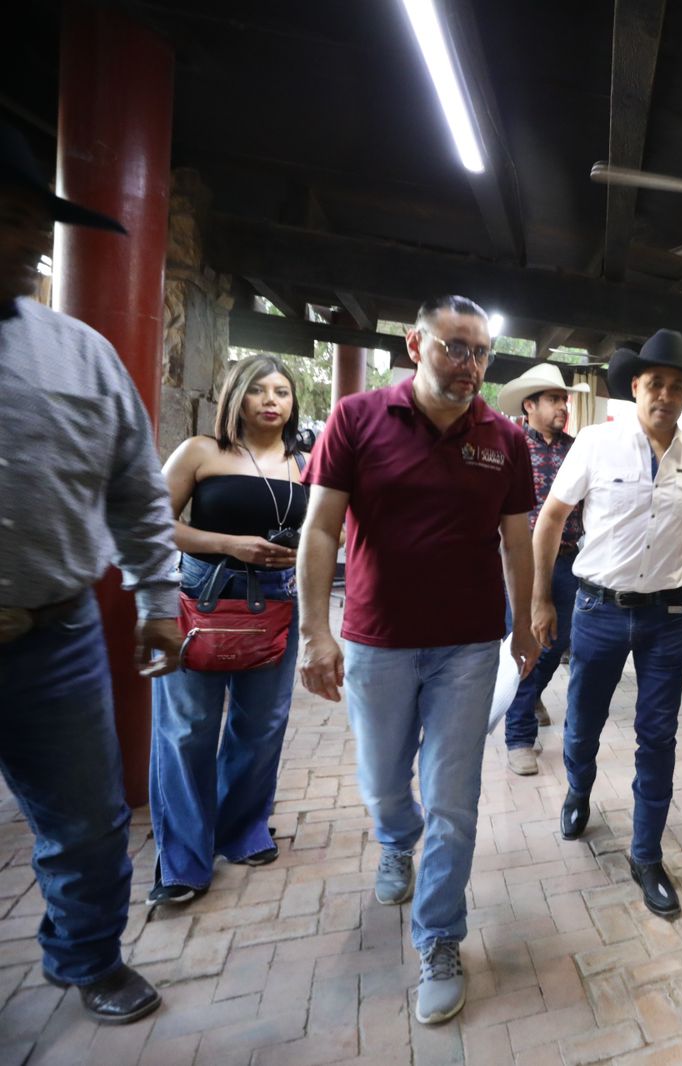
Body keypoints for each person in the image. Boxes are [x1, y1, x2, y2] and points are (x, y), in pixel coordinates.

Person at [298, 295, 536, 1025]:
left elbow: (517, 539)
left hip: (468, 647)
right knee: (382, 782)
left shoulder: (504, 439)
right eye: (456, 347)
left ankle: (439, 937)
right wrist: (315, 631)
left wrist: (525, 624)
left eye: (481, 352)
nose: (470, 364)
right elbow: (321, 528)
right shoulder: (357, 418)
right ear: (414, 344)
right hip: (376, 642)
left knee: (453, 800)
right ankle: (396, 840)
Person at [0, 122, 181, 1024]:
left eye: (36, 219)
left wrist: (159, 599)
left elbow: (137, 491)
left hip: (54, 630)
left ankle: (88, 956)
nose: (33, 238)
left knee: (88, 817)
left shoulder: (80, 354)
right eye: (11, 216)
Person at [533, 329, 682, 921]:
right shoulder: (596, 444)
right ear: (636, 387)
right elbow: (551, 518)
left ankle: (646, 855)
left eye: (677, 386)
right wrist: (541, 598)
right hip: (597, 610)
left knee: (658, 736)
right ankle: (578, 789)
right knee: (583, 723)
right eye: (655, 384)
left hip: (668, 618)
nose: (665, 395)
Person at [148, 355, 308, 905]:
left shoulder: (304, 462)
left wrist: (298, 555)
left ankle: (241, 830)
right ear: (236, 397)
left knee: (261, 725)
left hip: (277, 602)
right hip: (201, 599)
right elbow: (155, 523)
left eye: (282, 391)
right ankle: (182, 862)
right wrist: (228, 544)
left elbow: (326, 531)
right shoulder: (201, 451)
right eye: (258, 390)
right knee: (187, 730)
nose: (271, 400)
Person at [494, 362, 591, 775]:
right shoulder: (509, 446)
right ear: (529, 405)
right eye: (553, 399)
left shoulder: (579, 448)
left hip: (567, 559)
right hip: (520, 560)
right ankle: (519, 736)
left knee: (557, 641)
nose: (562, 407)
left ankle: (531, 693)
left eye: (564, 400)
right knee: (523, 641)